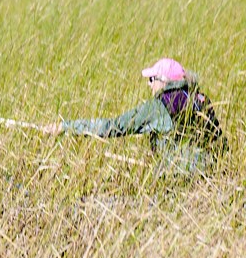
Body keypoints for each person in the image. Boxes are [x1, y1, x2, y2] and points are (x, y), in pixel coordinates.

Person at [42, 58, 226, 173]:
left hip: (178, 177)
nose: (149, 84)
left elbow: (112, 127)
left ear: (164, 82)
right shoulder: (201, 99)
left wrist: (65, 127)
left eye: (151, 79)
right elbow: (219, 142)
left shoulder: (158, 107)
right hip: (210, 172)